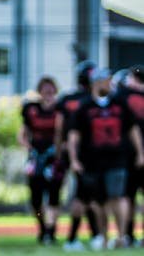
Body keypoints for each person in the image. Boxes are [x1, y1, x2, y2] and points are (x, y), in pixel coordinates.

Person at [68, 67, 144, 249]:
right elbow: (73, 135)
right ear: (96, 83)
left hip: (117, 159)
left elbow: (133, 129)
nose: (109, 84)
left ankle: (121, 236)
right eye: (105, 80)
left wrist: (140, 153)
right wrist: (74, 159)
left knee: (118, 197)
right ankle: (102, 236)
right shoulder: (85, 106)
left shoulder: (119, 103)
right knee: (98, 201)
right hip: (92, 161)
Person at [57, 60, 103, 250]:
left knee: (87, 196)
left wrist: (60, 149)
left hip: (78, 153)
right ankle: (76, 238)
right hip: (84, 154)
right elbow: (65, 129)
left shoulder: (69, 98)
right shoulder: (87, 101)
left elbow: (60, 129)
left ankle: (93, 235)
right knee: (84, 197)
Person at [19, 76, 64, 244]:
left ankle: (51, 231)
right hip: (36, 157)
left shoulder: (60, 109)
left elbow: (63, 133)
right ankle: (42, 227)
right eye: (45, 90)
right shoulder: (31, 108)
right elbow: (22, 134)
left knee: (54, 194)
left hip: (54, 158)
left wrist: (58, 153)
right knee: (35, 197)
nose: (48, 94)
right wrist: (30, 149)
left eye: (51, 90)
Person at [118, 66, 144, 242]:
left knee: (128, 196)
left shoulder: (122, 97)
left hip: (127, 154)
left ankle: (128, 234)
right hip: (133, 153)